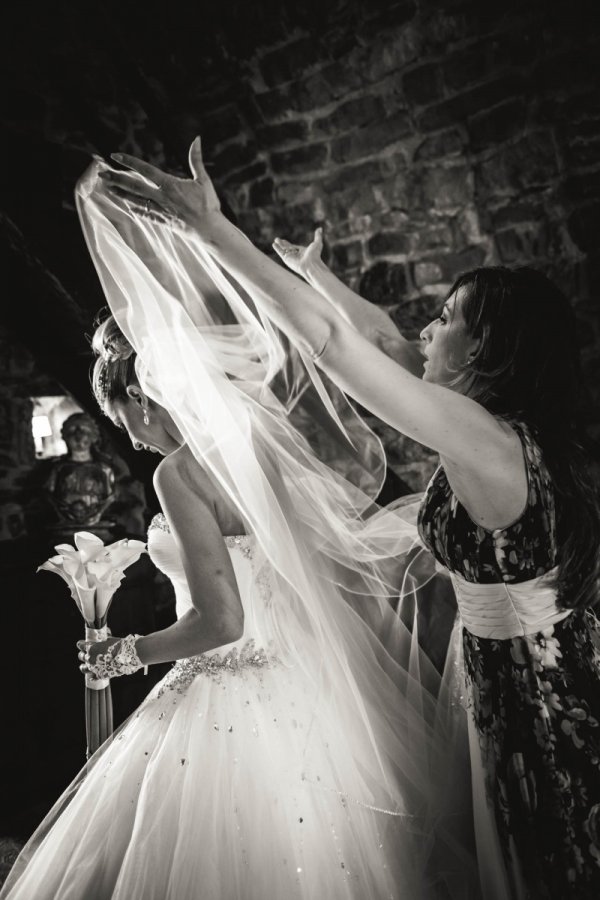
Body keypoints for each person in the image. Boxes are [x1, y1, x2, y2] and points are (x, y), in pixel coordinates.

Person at [98, 139, 600, 900]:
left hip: (538, 690)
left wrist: (212, 227)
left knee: (548, 858)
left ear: (488, 352)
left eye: (445, 320)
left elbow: (338, 346)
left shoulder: (485, 441)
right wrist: (316, 273)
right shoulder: (494, 424)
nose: (423, 333)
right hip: (498, 674)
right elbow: (381, 339)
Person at [0, 158, 481, 899]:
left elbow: (221, 621)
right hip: (309, 689)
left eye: (121, 416)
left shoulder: (178, 475)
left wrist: (123, 652)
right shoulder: (261, 452)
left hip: (232, 700)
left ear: (145, 393)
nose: (127, 437)